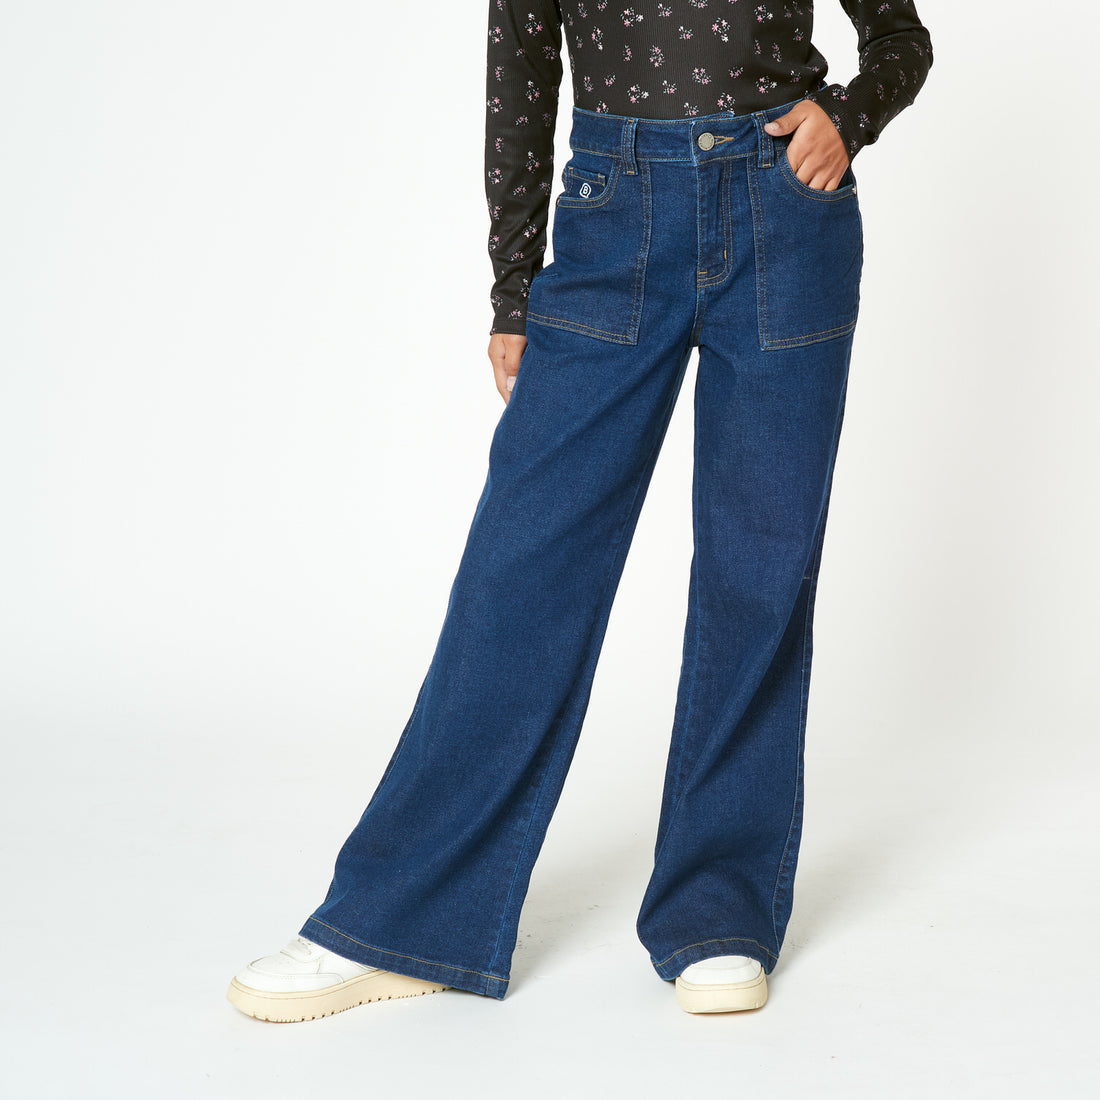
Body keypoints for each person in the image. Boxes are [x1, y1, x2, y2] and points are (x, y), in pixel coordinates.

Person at [227, 0, 932, 1021]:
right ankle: (401, 919)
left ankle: (718, 909)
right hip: (614, 213)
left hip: (784, 213)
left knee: (759, 568)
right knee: (524, 561)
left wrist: (847, 116)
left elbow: (900, 37)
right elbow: (519, 75)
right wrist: (513, 287)